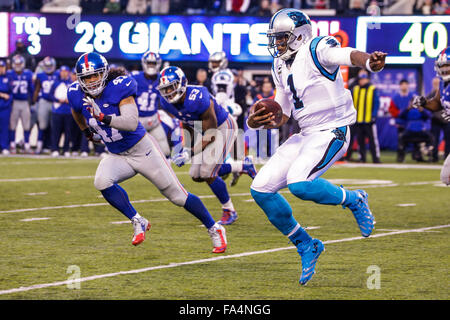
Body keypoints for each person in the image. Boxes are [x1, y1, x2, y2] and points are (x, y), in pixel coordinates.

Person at [247, 8, 381, 285]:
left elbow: (347, 54)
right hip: (305, 133)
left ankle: (354, 199)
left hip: (333, 129)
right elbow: (282, 113)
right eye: (275, 38)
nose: (278, 44)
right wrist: (257, 120)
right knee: (260, 189)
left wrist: (368, 62)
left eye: (282, 38)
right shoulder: (279, 65)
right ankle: (306, 244)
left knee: (300, 184)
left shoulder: (318, 46)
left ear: (299, 35)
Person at [68, 52, 228, 252]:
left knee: (178, 196)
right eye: (86, 78)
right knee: (101, 181)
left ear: (105, 73)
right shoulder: (75, 92)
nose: (91, 82)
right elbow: (76, 110)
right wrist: (85, 131)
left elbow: (130, 122)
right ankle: (137, 220)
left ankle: (214, 228)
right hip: (118, 154)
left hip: (142, 150)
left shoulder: (119, 87)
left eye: (95, 75)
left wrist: (102, 117)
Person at [157, 66, 257, 225]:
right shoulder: (166, 102)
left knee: (207, 172)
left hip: (222, 126)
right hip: (203, 130)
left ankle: (229, 210)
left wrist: (189, 152)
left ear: (182, 83)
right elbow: (186, 121)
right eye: (165, 88)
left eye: (172, 86)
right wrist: (186, 147)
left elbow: (211, 133)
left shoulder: (198, 97)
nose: (168, 91)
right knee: (196, 175)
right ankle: (243, 166)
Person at [412, 47, 450, 185]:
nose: (444, 69)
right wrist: (424, 102)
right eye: (442, 66)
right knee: (446, 177)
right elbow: (437, 104)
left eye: (447, 65)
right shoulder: (444, 84)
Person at [131, 51, 171, 157]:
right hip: (136, 121)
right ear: (144, 63)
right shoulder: (135, 78)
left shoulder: (161, 79)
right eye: (149, 63)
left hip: (153, 120)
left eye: (153, 63)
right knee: (133, 153)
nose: (151, 66)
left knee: (165, 151)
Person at [350, 72, 381, 163]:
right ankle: (362, 158)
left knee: (372, 141)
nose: (362, 81)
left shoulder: (372, 89)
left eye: (364, 79)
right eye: (360, 79)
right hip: (358, 120)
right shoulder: (355, 89)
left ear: (367, 79)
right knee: (360, 141)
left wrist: (373, 115)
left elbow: (376, 103)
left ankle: (376, 158)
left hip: (369, 120)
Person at [7, 54, 34, 154]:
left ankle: (26, 144)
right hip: (14, 102)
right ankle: (12, 145)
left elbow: (31, 90)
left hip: (24, 102)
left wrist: (31, 102)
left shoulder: (28, 74)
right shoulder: (9, 74)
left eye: (19, 63)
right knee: (12, 125)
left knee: (26, 125)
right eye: (16, 63)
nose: (18, 65)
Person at [33, 56, 59, 154]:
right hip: (44, 101)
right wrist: (34, 102)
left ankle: (51, 146)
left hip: (55, 102)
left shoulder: (58, 74)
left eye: (50, 65)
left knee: (54, 126)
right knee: (42, 125)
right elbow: (37, 89)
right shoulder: (40, 75)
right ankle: (39, 146)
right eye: (46, 66)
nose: (48, 67)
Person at [389, 79, 417, 162]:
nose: (404, 86)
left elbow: (418, 109)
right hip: (401, 123)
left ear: (408, 85)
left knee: (415, 140)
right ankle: (400, 156)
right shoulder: (395, 97)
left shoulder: (413, 96)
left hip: (412, 123)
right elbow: (392, 110)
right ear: (400, 86)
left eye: (406, 84)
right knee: (401, 141)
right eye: (402, 84)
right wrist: (400, 114)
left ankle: (416, 155)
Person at [50, 66, 73, 157]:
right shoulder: (55, 83)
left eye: (65, 71)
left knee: (68, 132)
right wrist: (57, 100)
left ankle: (66, 149)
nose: (63, 73)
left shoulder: (71, 84)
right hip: (57, 110)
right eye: (62, 71)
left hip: (68, 111)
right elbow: (50, 95)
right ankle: (54, 148)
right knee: (56, 131)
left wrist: (69, 100)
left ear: (68, 72)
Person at [428, 76, 450, 162]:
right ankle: (434, 156)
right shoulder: (431, 94)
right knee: (434, 139)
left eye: (437, 83)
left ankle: (447, 157)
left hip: (446, 120)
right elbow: (427, 105)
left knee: (448, 139)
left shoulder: (446, 92)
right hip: (436, 120)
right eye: (434, 83)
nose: (436, 85)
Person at [0, 60, 12, 155]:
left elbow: (11, 93)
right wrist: (2, 95)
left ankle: (4, 146)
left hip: (5, 107)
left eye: (2, 67)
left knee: (4, 128)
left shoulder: (8, 78)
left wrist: (7, 100)